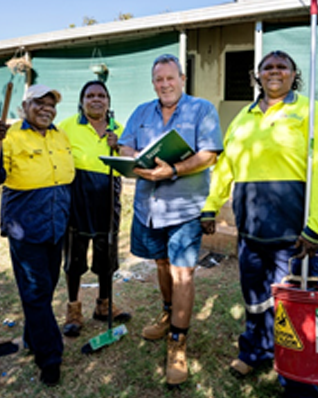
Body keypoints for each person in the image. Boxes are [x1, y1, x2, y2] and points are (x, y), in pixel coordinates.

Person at [200, 51, 318, 398]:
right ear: (256, 75)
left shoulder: (309, 111)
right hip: (250, 231)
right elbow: (226, 167)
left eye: (282, 67)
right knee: (255, 298)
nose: (274, 71)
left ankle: (296, 376)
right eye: (268, 67)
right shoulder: (243, 119)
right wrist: (210, 207)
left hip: (295, 234)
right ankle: (256, 350)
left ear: (294, 75)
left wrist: (317, 226)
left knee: (292, 304)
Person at [118, 54, 223, 387]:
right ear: (153, 83)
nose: (164, 84)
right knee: (162, 265)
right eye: (158, 80)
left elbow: (210, 153)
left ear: (182, 78)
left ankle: (178, 340)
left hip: (184, 209)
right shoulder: (141, 112)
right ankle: (167, 314)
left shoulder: (201, 109)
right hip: (148, 207)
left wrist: (174, 169)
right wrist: (136, 160)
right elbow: (124, 146)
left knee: (183, 273)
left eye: (170, 78)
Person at [0, 84, 74, 387]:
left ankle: (33, 338)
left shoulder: (60, 136)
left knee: (45, 290)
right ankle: (50, 356)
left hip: (57, 225)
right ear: (24, 107)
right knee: (35, 291)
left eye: (51, 104)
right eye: (39, 103)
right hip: (26, 227)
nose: (47, 109)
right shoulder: (10, 136)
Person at [57, 80, 130, 338]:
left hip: (108, 203)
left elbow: (132, 163)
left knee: (106, 258)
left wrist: (119, 146)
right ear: (82, 101)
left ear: (108, 102)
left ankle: (104, 304)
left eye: (101, 95)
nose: (96, 99)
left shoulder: (119, 130)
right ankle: (73, 308)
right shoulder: (66, 127)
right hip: (77, 202)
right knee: (74, 259)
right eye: (90, 95)